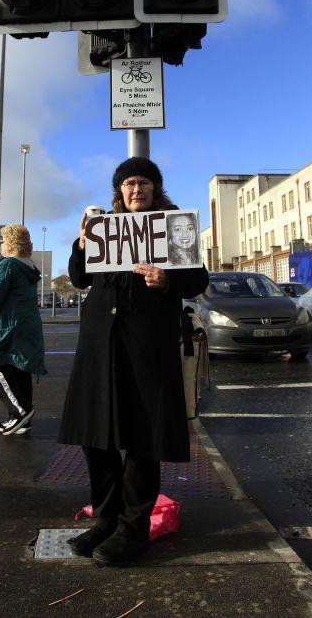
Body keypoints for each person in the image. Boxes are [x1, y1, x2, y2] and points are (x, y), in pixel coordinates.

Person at [59, 158, 209, 567]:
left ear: (155, 188)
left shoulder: (173, 228)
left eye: (143, 182)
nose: (135, 189)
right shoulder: (104, 226)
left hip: (147, 348)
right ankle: (105, 519)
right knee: (97, 437)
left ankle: (134, 529)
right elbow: (78, 278)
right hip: (99, 347)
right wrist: (81, 245)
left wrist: (167, 281)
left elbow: (198, 281)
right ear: (119, 192)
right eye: (128, 184)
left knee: (142, 440)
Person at [0, 224, 47, 436]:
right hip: (26, 326)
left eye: (2, 241)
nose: (0, 245)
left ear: (10, 243)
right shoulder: (28, 266)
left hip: (8, 329)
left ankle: (20, 413)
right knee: (19, 369)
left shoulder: (7, 265)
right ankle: (20, 418)